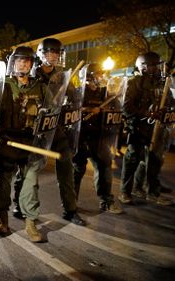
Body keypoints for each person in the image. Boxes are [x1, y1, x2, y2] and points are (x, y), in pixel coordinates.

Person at [0, 46, 49, 240]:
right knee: (3, 183)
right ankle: (2, 218)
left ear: (32, 65)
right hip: (7, 142)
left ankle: (30, 222)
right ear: (13, 63)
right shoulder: (3, 85)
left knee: (30, 183)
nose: (23, 64)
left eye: (27, 61)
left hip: (30, 143)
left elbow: (52, 113)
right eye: (19, 60)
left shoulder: (41, 87)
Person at [34, 38, 86, 225]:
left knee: (66, 169)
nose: (53, 56)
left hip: (58, 130)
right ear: (41, 54)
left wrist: (75, 99)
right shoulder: (32, 74)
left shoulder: (63, 76)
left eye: (56, 53)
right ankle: (21, 206)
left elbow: (73, 98)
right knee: (29, 171)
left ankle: (70, 210)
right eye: (49, 53)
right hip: (37, 131)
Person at [119, 51, 173, 206]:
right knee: (133, 159)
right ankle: (125, 191)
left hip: (157, 129)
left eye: (158, 66)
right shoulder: (134, 83)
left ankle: (151, 192)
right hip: (138, 128)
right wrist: (147, 113)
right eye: (154, 66)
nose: (157, 69)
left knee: (154, 161)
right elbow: (126, 107)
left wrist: (167, 110)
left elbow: (169, 101)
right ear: (143, 67)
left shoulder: (162, 83)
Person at [72, 63, 123, 214]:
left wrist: (114, 102)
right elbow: (70, 110)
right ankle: (71, 201)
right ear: (89, 77)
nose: (101, 78)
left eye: (101, 75)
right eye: (98, 75)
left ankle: (106, 200)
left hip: (99, 137)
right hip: (80, 136)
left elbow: (115, 108)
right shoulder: (77, 92)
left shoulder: (104, 93)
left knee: (104, 166)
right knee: (77, 169)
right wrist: (88, 109)